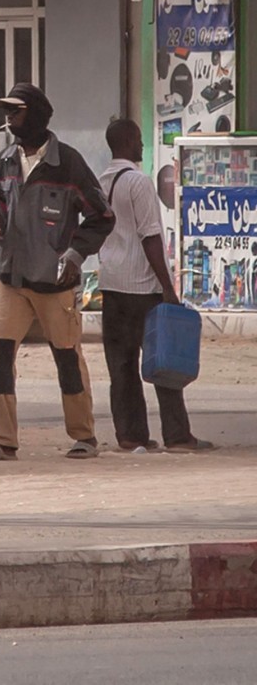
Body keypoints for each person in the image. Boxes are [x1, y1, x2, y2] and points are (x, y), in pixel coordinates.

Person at [0, 83, 114, 461]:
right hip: (11, 279)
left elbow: (101, 217)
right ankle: (2, 440)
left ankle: (83, 436)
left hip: (55, 283)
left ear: (36, 115)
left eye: (15, 110)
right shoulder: (3, 162)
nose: (8, 118)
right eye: (6, 110)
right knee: (0, 358)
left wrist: (74, 254)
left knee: (67, 357)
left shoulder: (67, 163)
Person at [98, 119, 214, 453]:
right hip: (141, 286)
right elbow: (150, 236)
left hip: (111, 285)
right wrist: (167, 287)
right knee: (165, 361)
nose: (143, 146)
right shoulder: (138, 181)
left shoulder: (101, 181)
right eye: (139, 140)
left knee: (121, 367)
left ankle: (130, 435)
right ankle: (177, 436)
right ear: (130, 140)